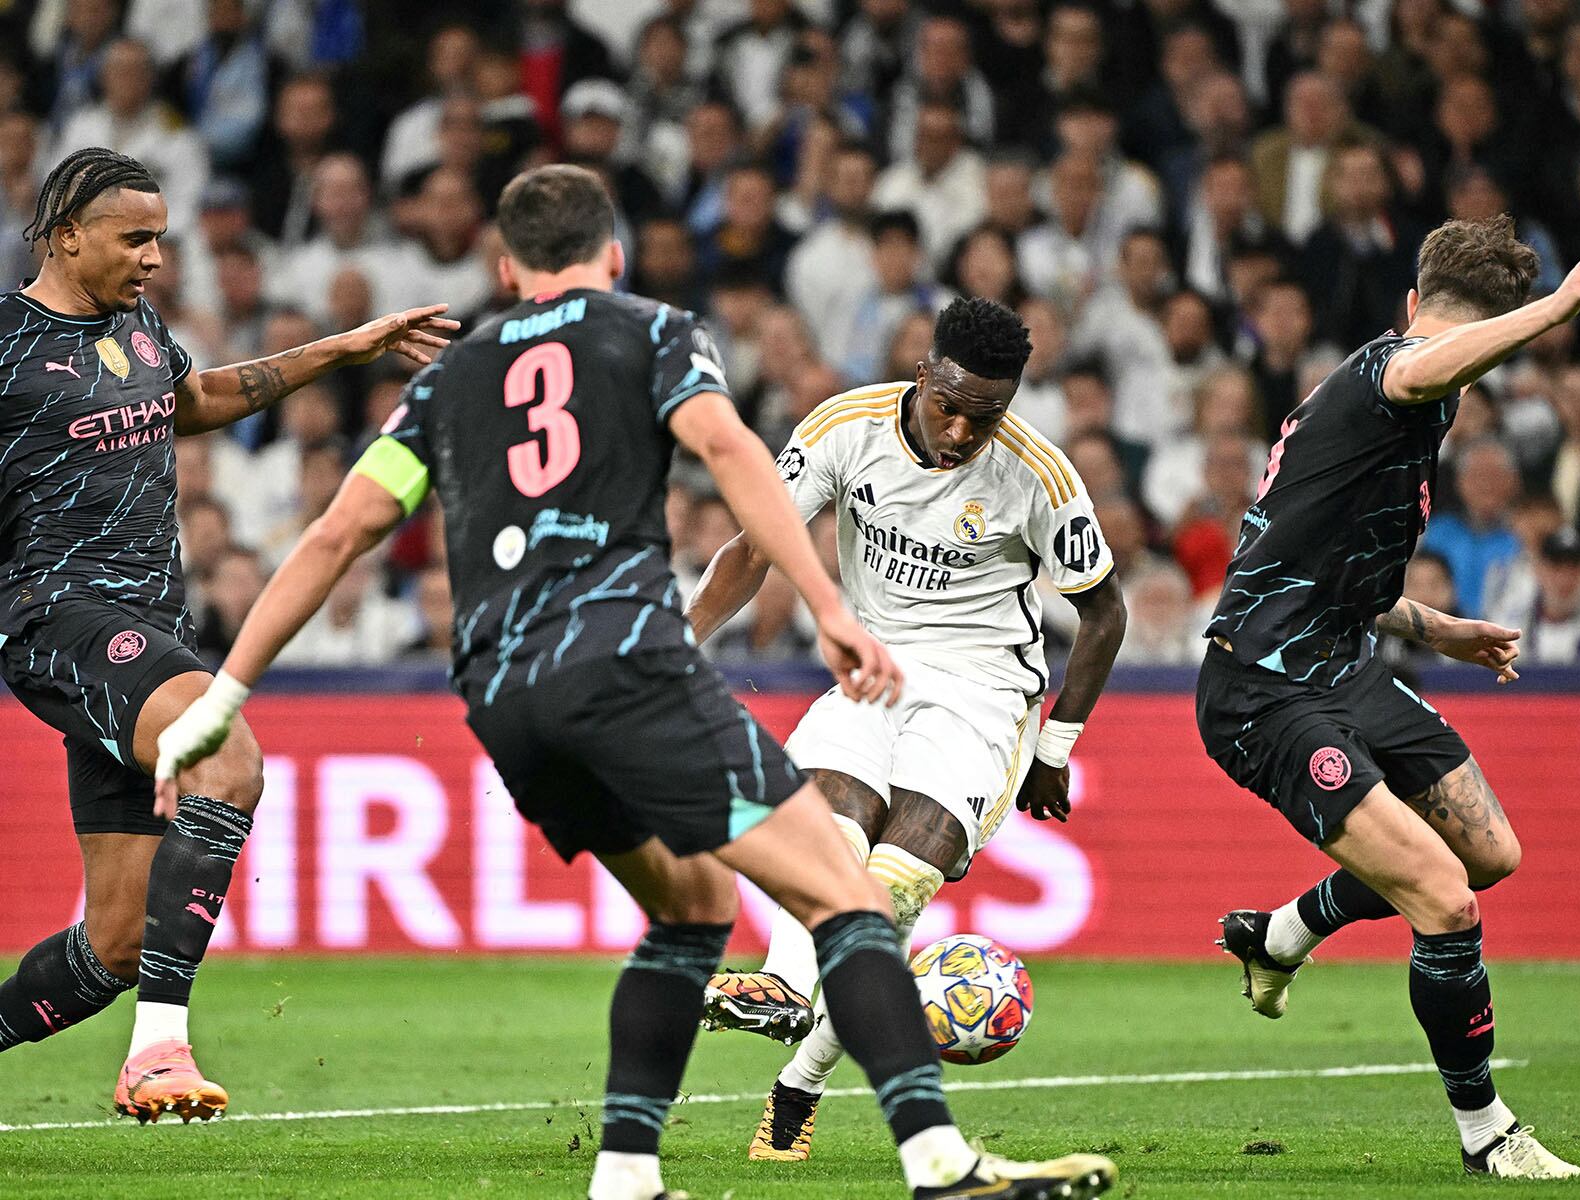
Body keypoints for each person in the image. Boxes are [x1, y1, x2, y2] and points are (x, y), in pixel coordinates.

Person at [153, 164, 1117, 1200]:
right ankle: (940, 1166)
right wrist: (829, 611)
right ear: (613, 256)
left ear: (501, 263)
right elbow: (727, 453)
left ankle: (625, 1177)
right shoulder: (654, 334)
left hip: (504, 694)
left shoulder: (448, 379)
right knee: (845, 900)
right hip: (626, 661)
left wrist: (223, 694)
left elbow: (341, 530)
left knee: (692, 907)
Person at [0, 147, 456, 1123]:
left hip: (147, 629)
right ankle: (159, 1052)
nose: (157, 256)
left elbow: (191, 400)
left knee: (115, 945)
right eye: (136, 237)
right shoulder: (4, 342)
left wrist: (344, 348)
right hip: (61, 622)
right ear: (65, 232)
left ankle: (128, 1017)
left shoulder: (136, 329)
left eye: (160, 236)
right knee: (228, 757)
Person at [1197, 215, 1580, 1179]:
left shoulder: (1404, 400)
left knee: (1488, 853)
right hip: (1264, 688)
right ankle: (1485, 1134)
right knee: (1444, 902)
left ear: (1415, 295)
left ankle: (1282, 933)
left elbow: (1330, 560)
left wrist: (1438, 628)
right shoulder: (1390, 371)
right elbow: (1421, 368)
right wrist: (1559, 307)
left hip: (1343, 661)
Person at [690, 296, 1126, 1163]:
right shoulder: (843, 429)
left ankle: (796, 1089)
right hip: (872, 670)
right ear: (923, 373)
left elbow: (1104, 613)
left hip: (983, 693)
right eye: (950, 406)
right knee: (822, 833)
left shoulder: (1036, 476)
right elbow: (753, 548)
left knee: (889, 891)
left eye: (987, 415)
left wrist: (1053, 746)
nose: (964, 431)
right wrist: (675, 642)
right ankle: (781, 984)